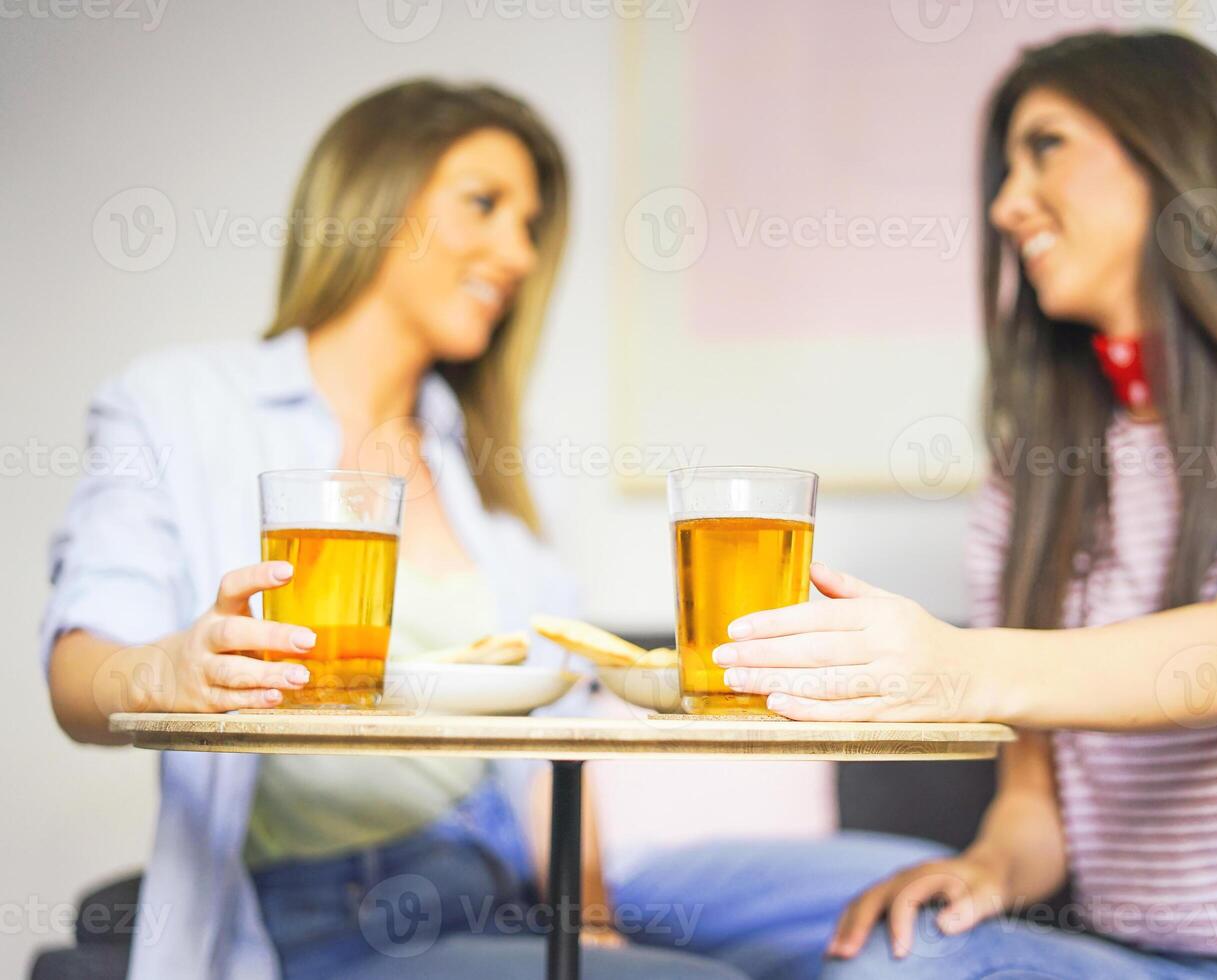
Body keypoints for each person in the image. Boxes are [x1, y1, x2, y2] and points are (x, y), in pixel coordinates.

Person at [712, 31, 1217, 976]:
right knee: (898, 958)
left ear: (1172, 155)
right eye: (1004, 167)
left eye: (1045, 147)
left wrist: (953, 668)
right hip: (1146, 959)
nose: (1005, 204)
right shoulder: (1035, 473)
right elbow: (1036, 809)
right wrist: (984, 866)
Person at [42, 78, 747, 980]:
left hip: (502, 881)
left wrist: (590, 924)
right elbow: (76, 675)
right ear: (376, 197)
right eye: (484, 204)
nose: (519, 254)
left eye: (530, 226)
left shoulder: (480, 465)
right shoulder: (180, 405)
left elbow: (550, 736)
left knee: (886, 928)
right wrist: (162, 670)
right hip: (339, 910)